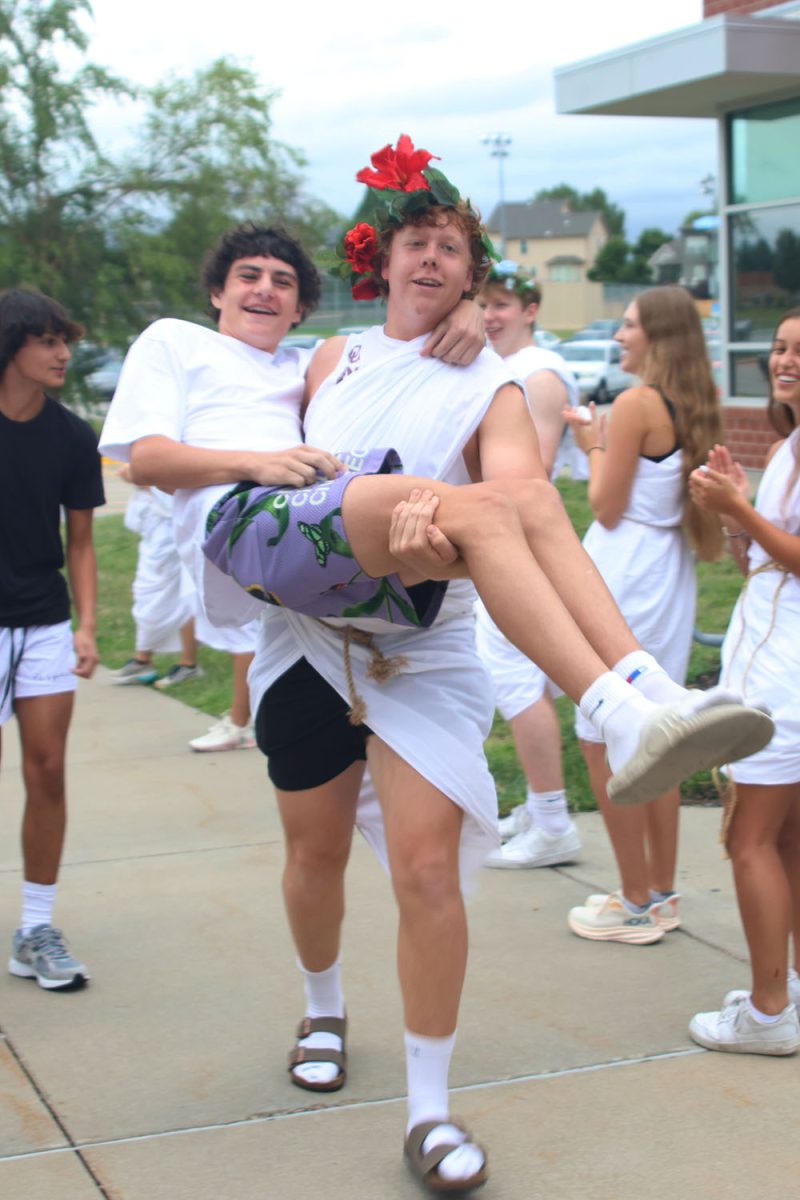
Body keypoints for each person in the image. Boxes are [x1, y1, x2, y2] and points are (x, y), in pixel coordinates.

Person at [196, 140, 772, 1191]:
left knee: (426, 871)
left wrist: (440, 532)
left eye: (450, 247)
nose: (430, 258)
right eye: (414, 239)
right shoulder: (330, 361)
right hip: (310, 646)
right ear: (382, 257)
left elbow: (507, 499)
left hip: (426, 644)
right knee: (312, 857)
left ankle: (427, 1109)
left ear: (471, 274)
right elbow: (280, 477)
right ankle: (322, 1005)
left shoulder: (496, 384)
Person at [563, 286, 725, 944]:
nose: (620, 336)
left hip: (622, 576)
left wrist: (591, 441)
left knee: (602, 733)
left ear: (655, 335)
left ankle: (633, 902)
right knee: (659, 735)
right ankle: (661, 891)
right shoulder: (696, 408)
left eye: (628, 325)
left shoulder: (633, 406)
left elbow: (604, 505)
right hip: (670, 578)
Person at [687, 308, 800, 1055]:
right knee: (789, 839)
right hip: (780, 660)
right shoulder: (791, 444)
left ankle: (766, 1013)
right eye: (782, 347)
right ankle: (785, 992)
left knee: (749, 838)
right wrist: (738, 514)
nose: (785, 360)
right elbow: (762, 562)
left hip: (781, 678)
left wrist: (736, 508)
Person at [0, 288, 104, 990]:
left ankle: (36, 927)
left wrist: (89, 626)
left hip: (42, 623)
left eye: (64, 340)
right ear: (13, 347)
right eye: (48, 341)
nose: (63, 353)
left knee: (48, 771)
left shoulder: (71, 436)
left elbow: (83, 542)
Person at [475, 260, 582, 869]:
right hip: (507, 540)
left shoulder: (538, 376)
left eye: (502, 306)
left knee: (512, 678)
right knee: (519, 678)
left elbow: (528, 475)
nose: (490, 316)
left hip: (521, 545)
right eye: (484, 304)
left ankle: (552, 821)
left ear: (531, 311)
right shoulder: (510, 369)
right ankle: (538, 809)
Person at [112, 466, 203, 688]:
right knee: (148, 598)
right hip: (156, 538)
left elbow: (171, 485)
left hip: (174, 535)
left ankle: (188, 664)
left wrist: (143, 476)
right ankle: (144, 659)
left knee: (185, 598)